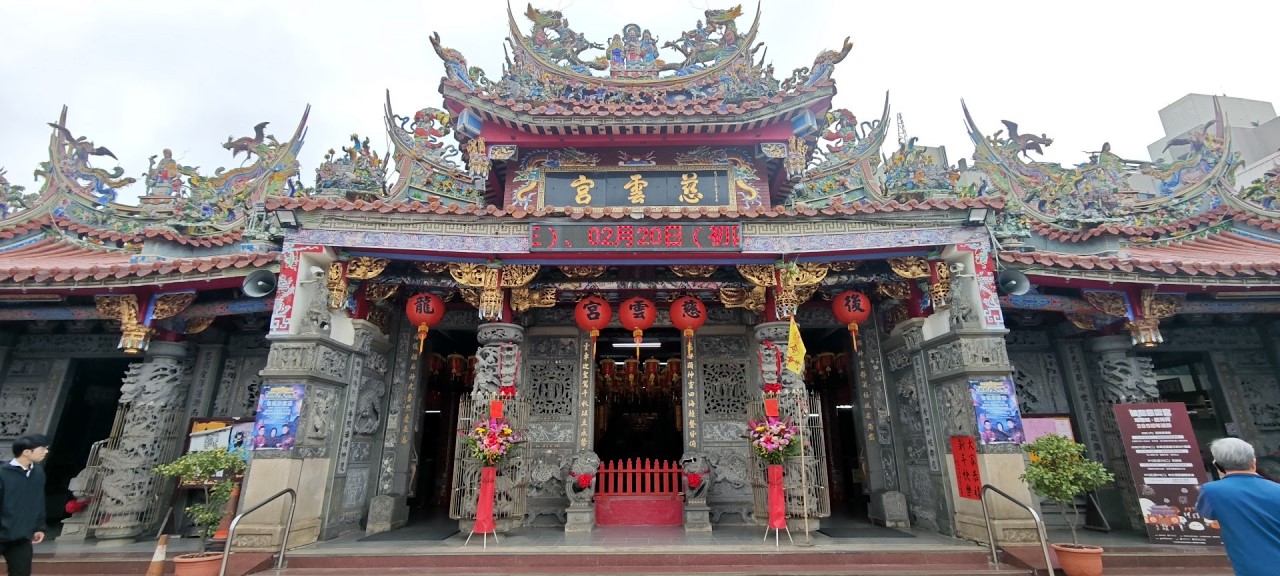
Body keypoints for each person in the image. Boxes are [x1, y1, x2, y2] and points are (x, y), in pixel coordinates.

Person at [1195, 438, 1280, 575]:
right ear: (1253, 462)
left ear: (1217, 465)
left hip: (1251, 568)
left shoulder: (1211, 491)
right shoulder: (1277, 489)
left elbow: (1207, 514)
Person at [0, 434, 51, 576]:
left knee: (21, 572)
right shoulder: (3, 473)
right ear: (26, 452)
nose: (46, 451)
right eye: (42, 448)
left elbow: (38, 500)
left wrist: (39, 527)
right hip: (2, 530)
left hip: (20, 536)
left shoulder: (38, 472)